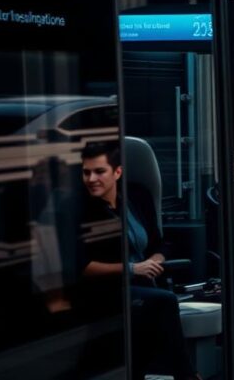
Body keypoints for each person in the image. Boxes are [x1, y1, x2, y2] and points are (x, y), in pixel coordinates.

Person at [79, 142, 201, 380]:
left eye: (99, 171)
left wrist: (155, 260)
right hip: (107, 288)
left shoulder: (137, 197)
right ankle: (187, 376)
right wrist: (134, 268)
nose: (92, 178)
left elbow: (161, 243)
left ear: (117, 172)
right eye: (86, 172)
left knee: (151, 312)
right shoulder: (85, 209)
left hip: (142, 286)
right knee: (163, 303)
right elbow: (81, 267)